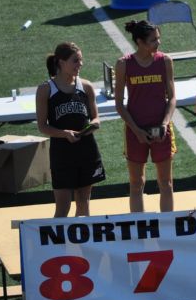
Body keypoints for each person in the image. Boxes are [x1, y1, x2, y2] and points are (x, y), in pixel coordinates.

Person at [36, 43, 106, 218]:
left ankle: (84, 243)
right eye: (75, 60)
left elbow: (95, 117)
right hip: (62, 154)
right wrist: (64, 134)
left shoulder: (86, 87)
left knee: (83, 203)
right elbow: (42, 126)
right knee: (63, 207)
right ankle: (58, 245)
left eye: (81, 60)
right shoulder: (45, 89)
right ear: (61, 62)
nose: (80, 64)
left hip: (87, 151)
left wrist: (94, 125)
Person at [115, 20, 176, 213]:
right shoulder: (124, 64)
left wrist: (165, 124)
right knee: (136, 184)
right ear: (139, 42)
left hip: (161, 129)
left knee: (166, 183)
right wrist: (137, 131)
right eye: (153, 40)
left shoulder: (165, 61)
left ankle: (168, 226)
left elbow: (172, 98)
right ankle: (139, 227)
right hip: (135, 130)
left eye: (158, 39)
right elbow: (119, 104)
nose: (158, 43)